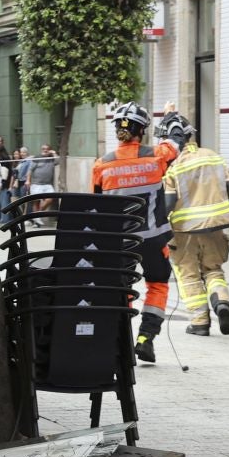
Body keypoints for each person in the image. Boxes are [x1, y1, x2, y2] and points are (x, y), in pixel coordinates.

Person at [91, 101, 179, 363]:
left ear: (117, 129)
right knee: (158, 284)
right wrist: (171, 115)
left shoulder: (101, 165)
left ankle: (122, 343)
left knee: (121, 289)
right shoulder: (156, 156)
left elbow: (96, 207)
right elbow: (177, 140)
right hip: (153, 240)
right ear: (142, 131)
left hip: (118, 243)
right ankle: (146, 338)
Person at [159, 117, 229, 337]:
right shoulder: (214, 158)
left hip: (184, 232)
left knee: (189, 275)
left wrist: (158, 227)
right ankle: (222, 302)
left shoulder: (174, 168)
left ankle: (199, 322)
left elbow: (168, 204)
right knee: (213, 270)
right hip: (216, 228)